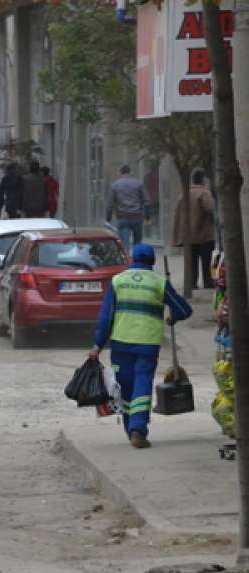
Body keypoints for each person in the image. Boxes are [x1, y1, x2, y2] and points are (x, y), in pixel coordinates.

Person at [89, 244, 192, 449]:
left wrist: (97, 346)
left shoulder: (118, 281)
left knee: (125, 388)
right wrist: (172, 318)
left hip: (121, 345)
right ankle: (138, 429)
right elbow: (184, 309)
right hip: (147, 345)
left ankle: (131, 430)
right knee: (142, 385)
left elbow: (105, 319)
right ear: (153, 261)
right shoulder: (159, 282)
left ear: (131, 259)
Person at [172, 169, 216, 289]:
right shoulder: (204, 193)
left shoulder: (184, 194)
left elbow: (177, 215)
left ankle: (192, 283)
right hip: (204, 235)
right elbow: (211, 209)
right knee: (207, 261)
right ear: (203, 180)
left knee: (192, 262)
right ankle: (208, 282)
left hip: (188, 235)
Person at [106, 164, 151, 252]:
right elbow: (146, 201)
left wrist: (108, 219)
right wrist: (147, 217)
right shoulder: (139, 183)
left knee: (124, 244)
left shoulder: (115, 185)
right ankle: (137, 261)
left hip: (122, 217)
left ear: (120, 173)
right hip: (137, 217)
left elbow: (110, 204)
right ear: (130, 172)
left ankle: (126, 261)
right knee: (137, 243)